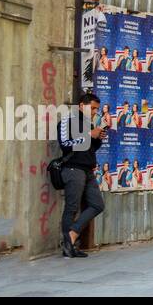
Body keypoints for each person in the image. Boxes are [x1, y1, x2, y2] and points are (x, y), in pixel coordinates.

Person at [57, 93, 107, 258]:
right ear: (81, 106)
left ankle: (72, 235)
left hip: (88, 170)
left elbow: (88, 149)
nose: (94, 112)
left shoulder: (88, 123)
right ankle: (68, 246)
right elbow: (65, 144)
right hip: (73, 169)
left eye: (96, 109)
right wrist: (88, 135)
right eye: (92, 108)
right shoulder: (67, 121)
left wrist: (98, 139)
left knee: (97, 205)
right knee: (71, 208)